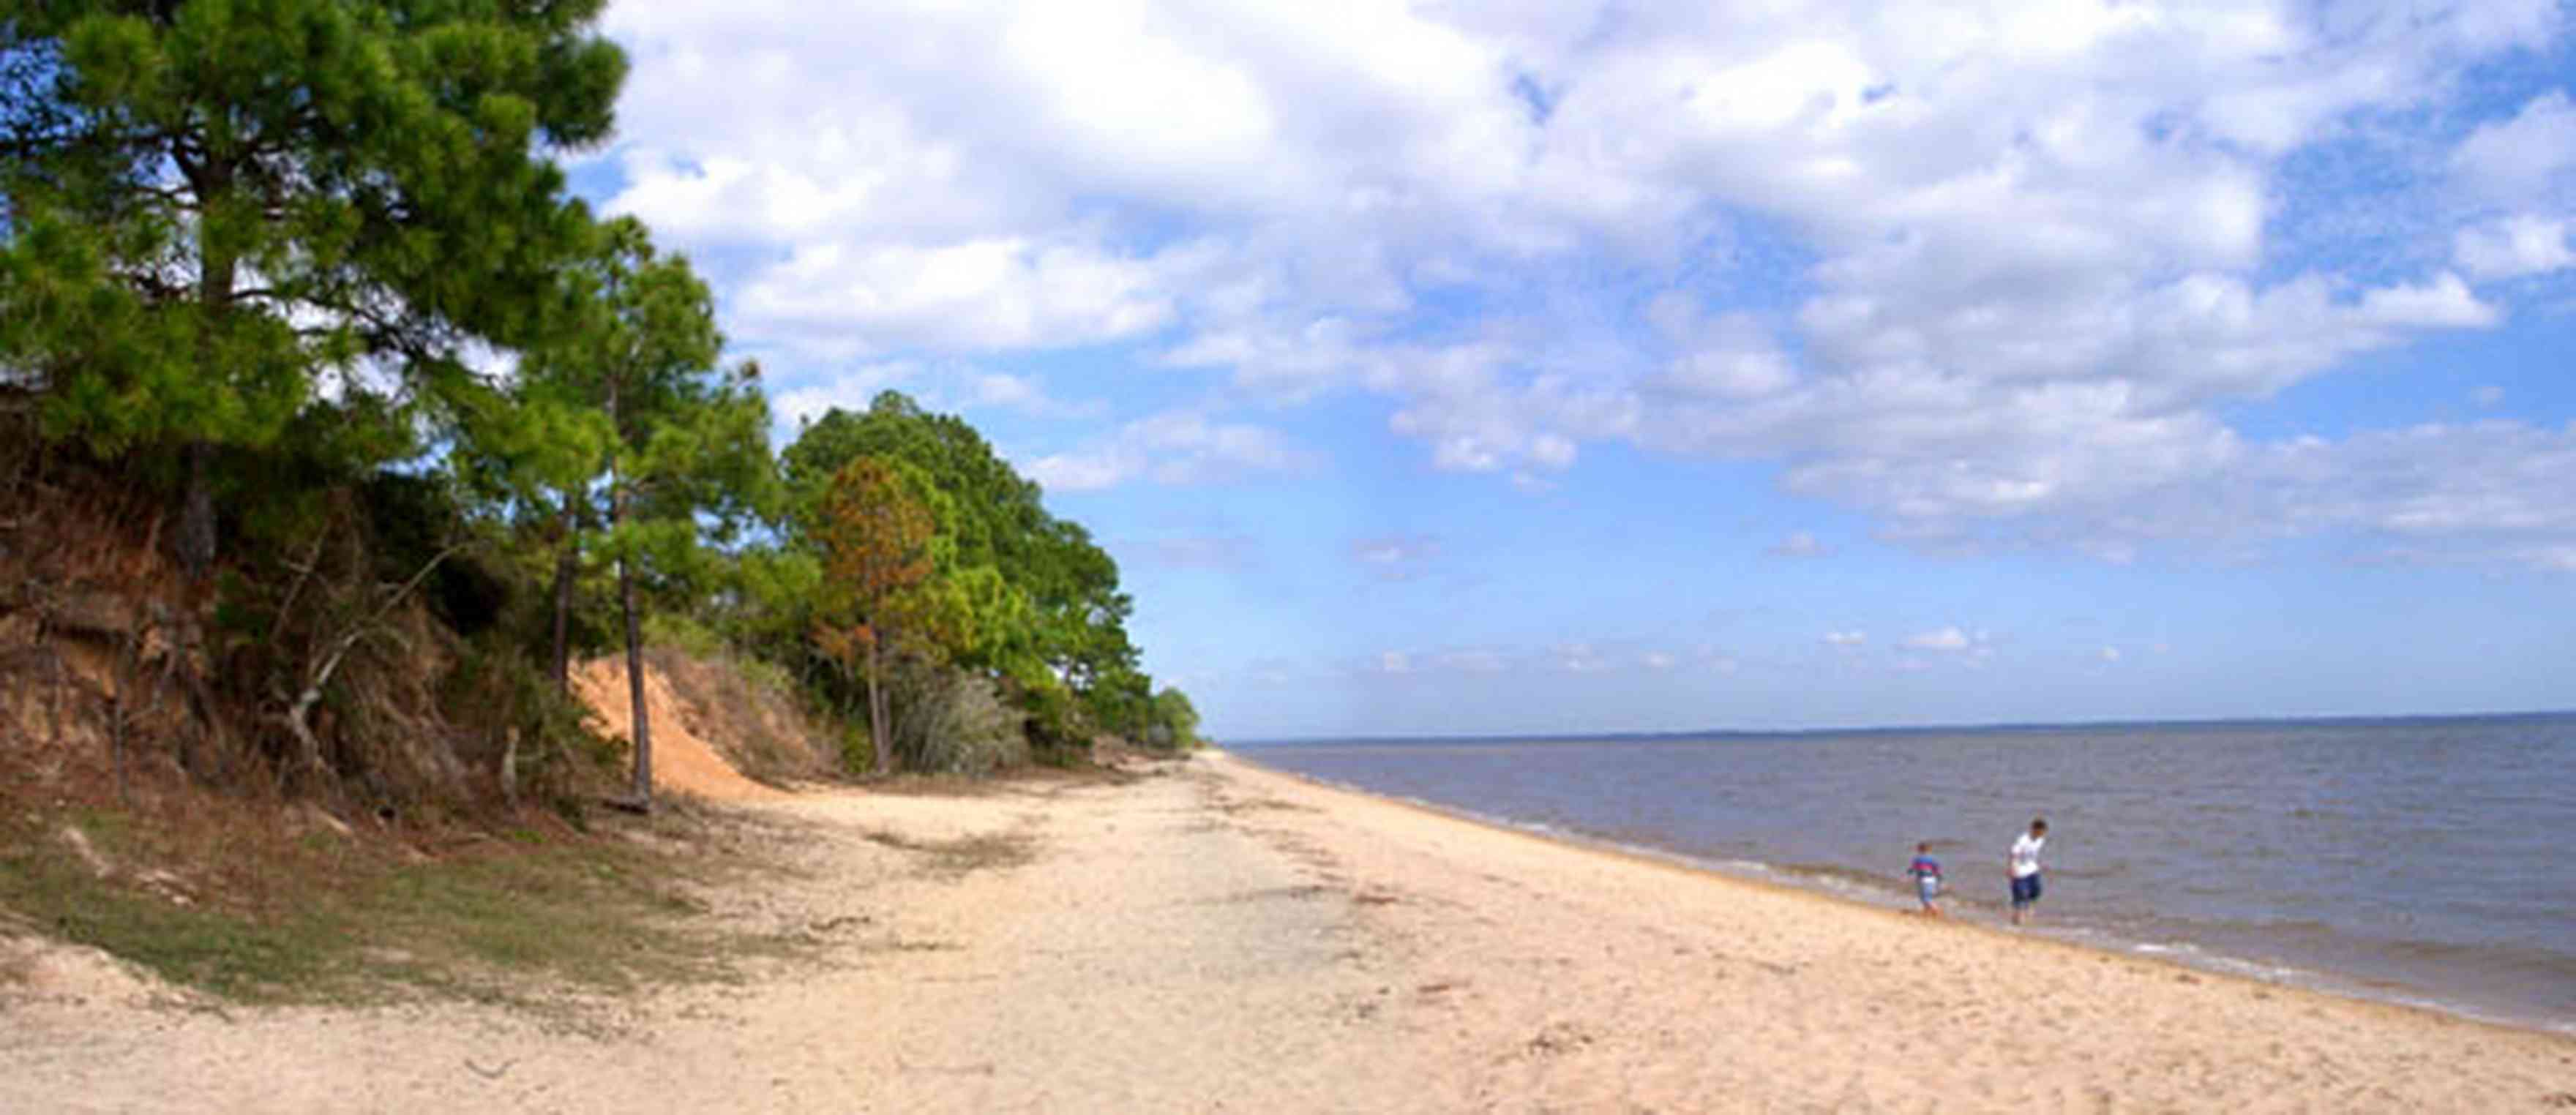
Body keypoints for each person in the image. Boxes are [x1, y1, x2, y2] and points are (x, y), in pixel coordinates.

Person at [2007, 817, 2048, 925]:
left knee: (2037, 891)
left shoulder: (2040, 840)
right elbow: (2013, 854)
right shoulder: (2023, 840)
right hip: (2020, 872)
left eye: (2043, 832)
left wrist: (2037, 865)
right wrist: (2012, 869)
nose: (2042, 834)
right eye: (2040, 832)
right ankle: (2016, 918)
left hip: (2032, 870)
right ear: (2034, 830)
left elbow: (2034, 854)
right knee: (2020, 895)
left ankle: (2029, 910)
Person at [1907, 841, 1943, 916]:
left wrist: (1909, 872)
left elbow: (1913, 868)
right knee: (1928, 895)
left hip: (1922, 880)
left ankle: (1935, 909)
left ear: (1919, 850)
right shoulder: (1933, 859)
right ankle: (1926, 911)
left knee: (1924, 897)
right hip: (1932, 880)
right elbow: (1937, 870)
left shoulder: (1918, 859)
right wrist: (1940, 878)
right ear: (1930, 850)